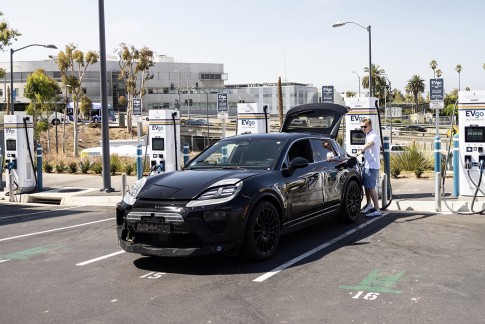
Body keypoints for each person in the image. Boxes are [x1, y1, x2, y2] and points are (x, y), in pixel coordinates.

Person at [357, 118, 381, 217]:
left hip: (372, 166)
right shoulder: (368, 135)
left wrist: (360, 150)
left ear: (370, 126)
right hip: (367, 164)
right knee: (366, 186)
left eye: (365, 126)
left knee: (371, 188)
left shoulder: (373, 136)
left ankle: (377, 210)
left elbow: (369, 144)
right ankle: (369, 205)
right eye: (361, 127)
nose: (363, 128)